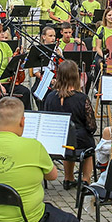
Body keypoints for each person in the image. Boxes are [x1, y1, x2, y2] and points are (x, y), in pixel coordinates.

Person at [43, 60, 96, 188]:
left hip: (57, 142)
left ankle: (68, 178)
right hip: (79, 142)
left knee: (68, 139)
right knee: (88, 141)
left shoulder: (50, 97)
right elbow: (92, 127)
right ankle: (85, 179)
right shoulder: (81, 98)